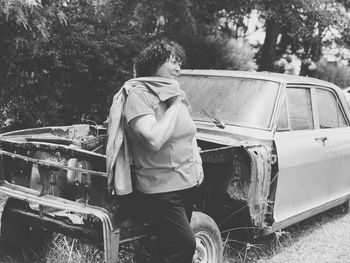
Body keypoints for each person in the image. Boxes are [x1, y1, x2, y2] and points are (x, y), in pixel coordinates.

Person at [122, 39, 203, 263]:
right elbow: (153, 139)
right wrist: (175, 105)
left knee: (165, 247)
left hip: (186, 183)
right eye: (173, 62)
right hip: (160, 187)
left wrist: (197, 160)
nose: (179, 68)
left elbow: (190, 132)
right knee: (185, 244)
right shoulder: (139, 95)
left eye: (180, 63)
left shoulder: (176, 94)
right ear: (154, 63)